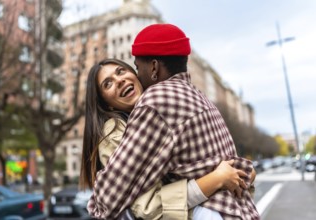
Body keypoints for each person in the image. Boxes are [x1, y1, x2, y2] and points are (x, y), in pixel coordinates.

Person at [87, 23, 259, 219]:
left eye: (125, 71)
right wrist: (218, 179)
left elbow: (106, 200)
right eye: (107, 83)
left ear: (153, 68)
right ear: (105, 103)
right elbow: (142, 207)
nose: (119, 80)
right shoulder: (198, 97)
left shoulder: (156, 103)